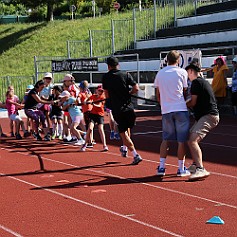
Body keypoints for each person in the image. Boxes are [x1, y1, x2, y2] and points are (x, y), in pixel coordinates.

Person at [154, 50, 190, 176]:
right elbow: (185, 91)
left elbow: (157, 94)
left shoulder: (160, 73)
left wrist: (162, 104)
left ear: (166, 60)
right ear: (178, 60)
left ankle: (162, 167)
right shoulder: (182, 72)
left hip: (166, 109)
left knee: (166, 139)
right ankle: (181, 168)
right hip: (180, 108)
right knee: (181, 141)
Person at [102, 56, 142, 165]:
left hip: (118, 109)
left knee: (123, 132)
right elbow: (136, 88)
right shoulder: (126, 74)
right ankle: (124, 147)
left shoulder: (106, 77)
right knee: (126, 127)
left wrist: (109, 102)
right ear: (118, 65)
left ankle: (135, 154)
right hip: (129, 108)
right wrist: (128, 93)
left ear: (108, 66)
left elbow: (106, 94)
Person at [185, 62, 219, 180]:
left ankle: (200, 168)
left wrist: (182, 105)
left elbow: (193, 102)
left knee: (193, 141)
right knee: (191, 137)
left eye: (187, 73)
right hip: (206, 115)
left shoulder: (196, 83)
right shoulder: (202, 82)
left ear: (190, 72)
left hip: (208, 116)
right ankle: (195, 165)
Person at [81, 85, 108, 152]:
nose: (100, 92)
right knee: (90, 128)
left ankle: (104, 145)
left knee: (101, 129)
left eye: (101, 91)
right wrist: (85, 101)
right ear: (96, 90)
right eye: (99, 90)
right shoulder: (93, 96)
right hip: (93, 114)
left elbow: (99, 105)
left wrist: (92, 103)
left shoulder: (103, 97)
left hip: (100, 115)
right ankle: (85, 144)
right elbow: (87, 99)